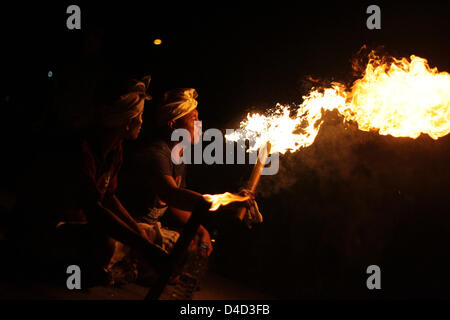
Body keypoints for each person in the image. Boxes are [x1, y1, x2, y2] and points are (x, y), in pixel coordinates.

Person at [8, 75, 168, 285]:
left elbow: (108, 196)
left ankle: (108, 269)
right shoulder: (81, 149)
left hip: (75, 227)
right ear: (125, 123)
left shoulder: (114, 150)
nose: (142, 123)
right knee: (106, 241)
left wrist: (138, 233)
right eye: (138, 117)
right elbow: (94, 209)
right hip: (44, 228)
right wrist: (141, 246)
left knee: (145, 233)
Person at [117, 88, 260, 261]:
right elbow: (172, 195)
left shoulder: (179, 158)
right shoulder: (156, 154)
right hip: (126, 225)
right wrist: (229, 201)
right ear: (173, 124)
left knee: (192, 245)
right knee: (181, 249)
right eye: (193, 118)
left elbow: (175, 206)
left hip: (149, 228)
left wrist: (201, 230)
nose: (199, 124)